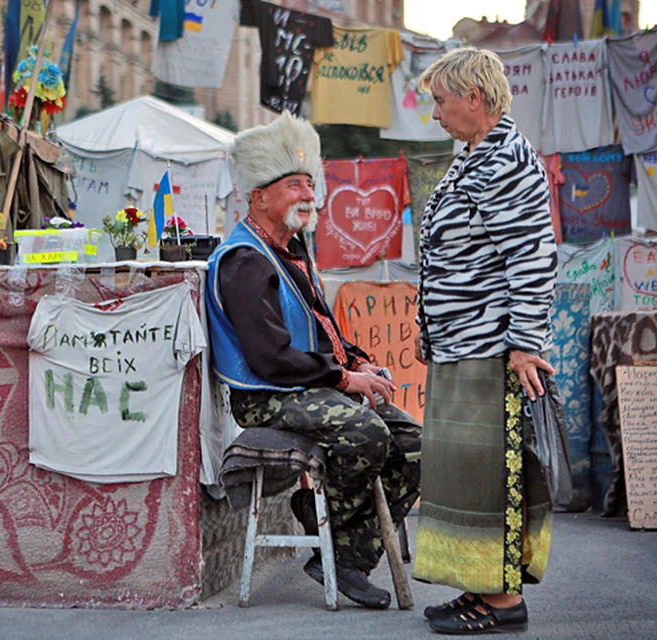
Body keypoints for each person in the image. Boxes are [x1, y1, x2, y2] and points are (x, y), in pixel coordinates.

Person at [206, 112, 421, 610]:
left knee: (413, 443)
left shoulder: (292, 250)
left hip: (309, 384)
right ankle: (315, 514)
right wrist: (344, 379)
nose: (309, 195)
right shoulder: (245, 260)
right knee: (366, 434)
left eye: (311, 184)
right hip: (267, 396)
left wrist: (359, 364)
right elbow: (270, 359)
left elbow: (322, 330)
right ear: (259, 197)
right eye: (294, 186)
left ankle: (346, 556)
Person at [411, 47, 558, 635]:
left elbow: (532, 256)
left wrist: (524, 343)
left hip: (491, 349)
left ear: (475, 98)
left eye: (441, 102)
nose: (437, 114)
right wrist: (432, 327)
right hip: (461, 344)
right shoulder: (473, 156)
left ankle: (502, 603)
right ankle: (479, 588)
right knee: (465, 478)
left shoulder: (505, 163)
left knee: (492, 477)